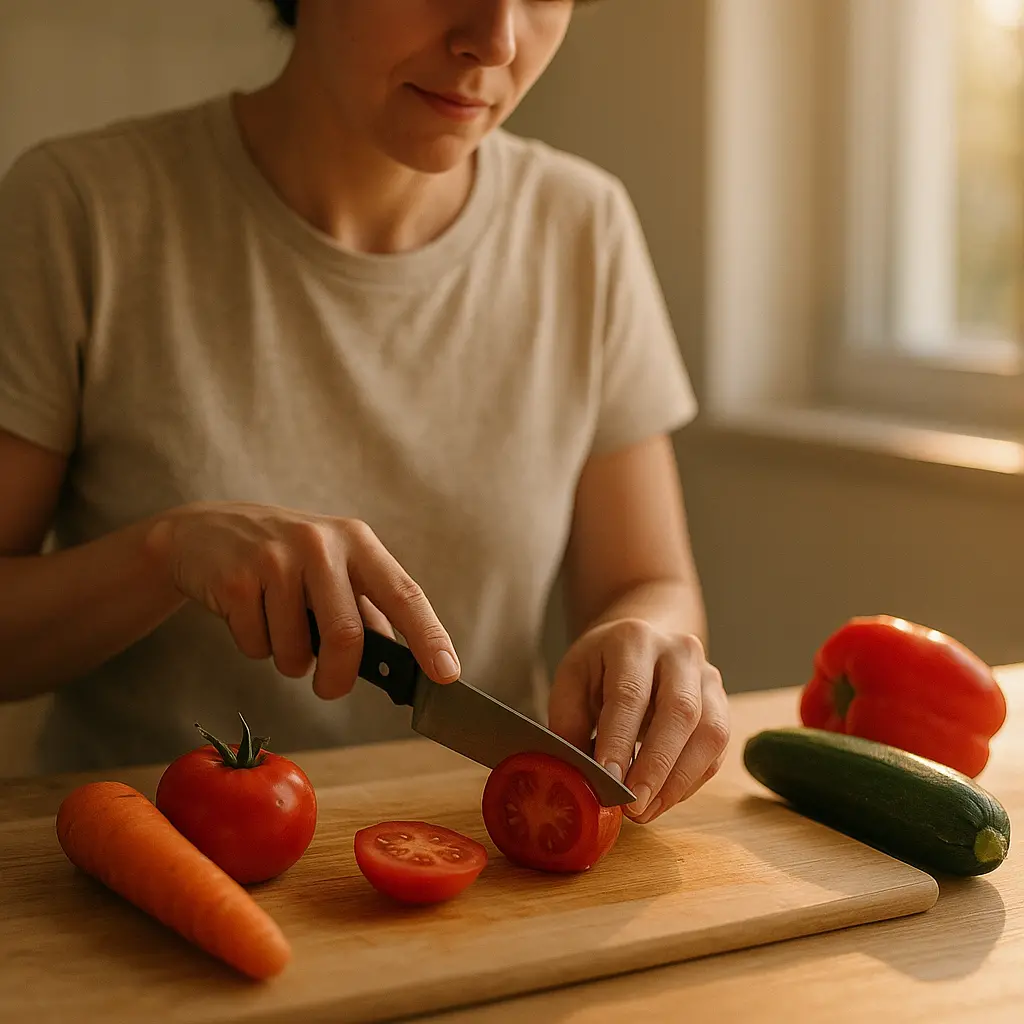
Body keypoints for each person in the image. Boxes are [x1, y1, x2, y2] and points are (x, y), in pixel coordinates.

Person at [0, 0, 728, 825]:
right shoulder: (76, 209)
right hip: (144, 854)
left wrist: (644, 640)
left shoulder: (582, 224)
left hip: (474, 854)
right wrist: (165, 553)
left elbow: (649, 581)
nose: (495, 40)